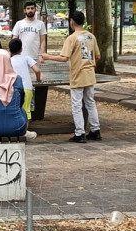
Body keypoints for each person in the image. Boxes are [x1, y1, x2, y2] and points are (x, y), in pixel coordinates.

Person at [41, 11, 101, 143]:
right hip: (89, 73)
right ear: (84, 21)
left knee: (76, 104)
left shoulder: (72, 38)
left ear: (72, 22)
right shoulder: (91, 36)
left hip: (78, 74)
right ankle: (95, 130)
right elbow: (98, 56)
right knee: (90, 102)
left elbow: (64, 58)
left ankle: (80, 133)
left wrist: (48, 56)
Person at [8, 38, 42, 126]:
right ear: (21, 49)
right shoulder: (26, 57)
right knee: (26, 110)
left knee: (14, 109)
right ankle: (25, 131)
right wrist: (38, 78)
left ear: (9, 50)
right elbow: (37, 70)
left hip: (13, 88)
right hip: (27, 87)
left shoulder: (8, 60)